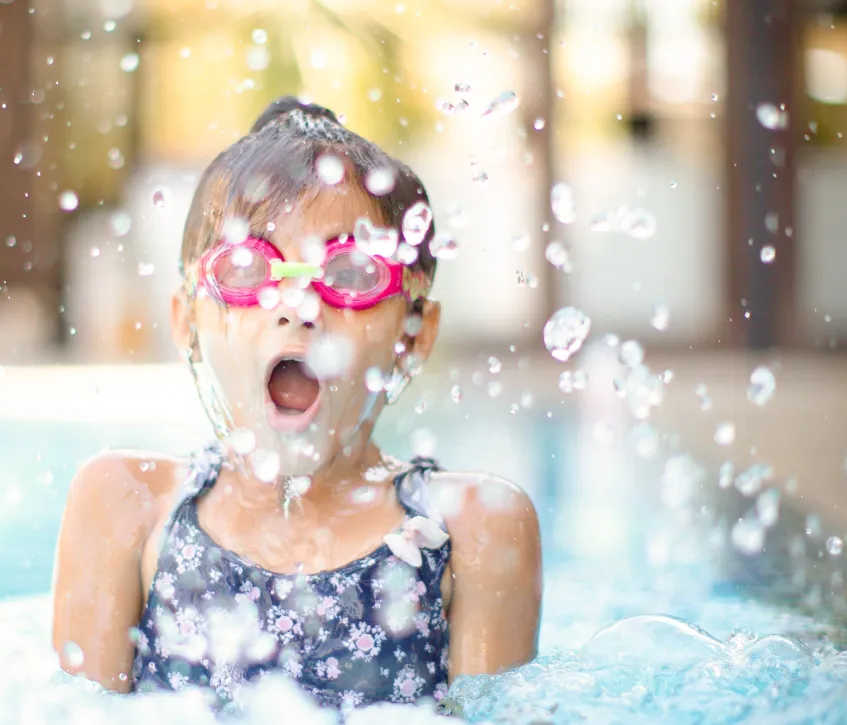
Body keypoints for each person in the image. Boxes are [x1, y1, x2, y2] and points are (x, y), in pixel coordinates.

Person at [52, 96, 542, 713]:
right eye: (246, 269)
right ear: (186, 322)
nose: (298, 306)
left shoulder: (472, 526)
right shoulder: (128, 506)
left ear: (413, 333)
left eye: (353, 275)